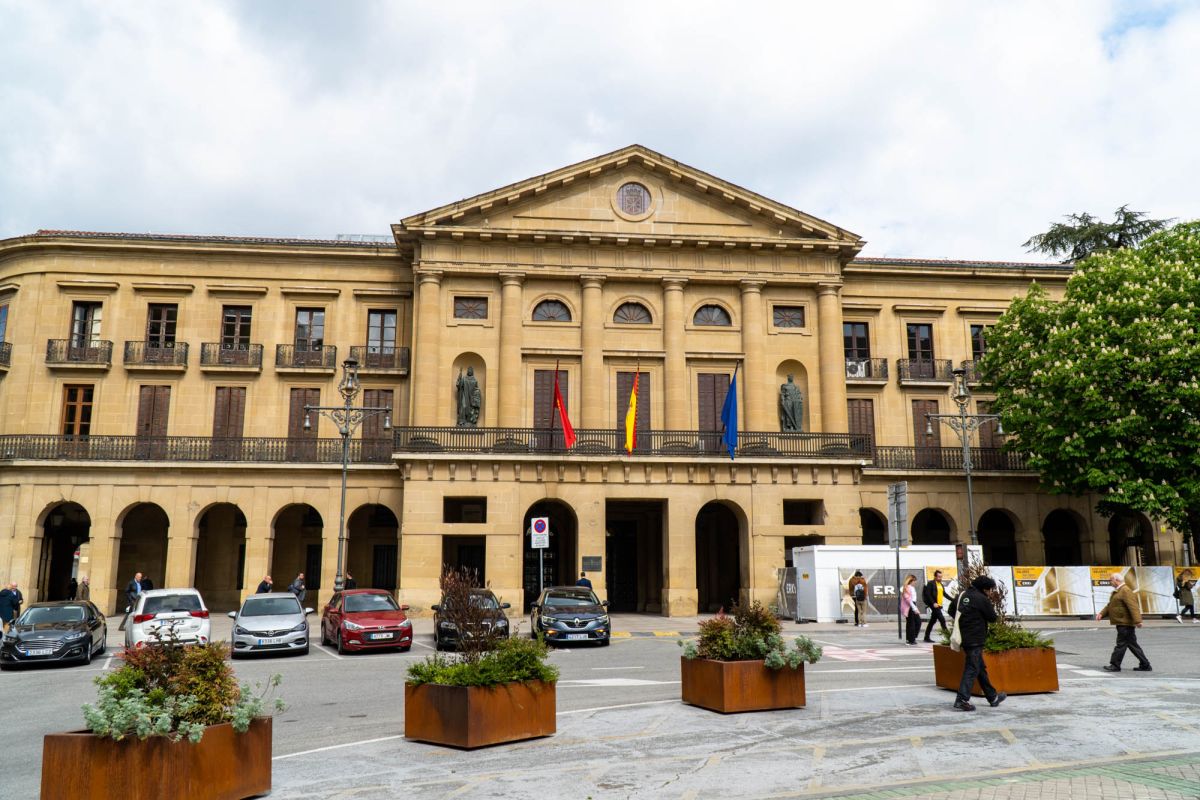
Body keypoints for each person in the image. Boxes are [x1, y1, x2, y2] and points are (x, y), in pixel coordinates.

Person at [954, 576, 1006, 711]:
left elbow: (951, 610)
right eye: (990, 590)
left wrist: (965, 620)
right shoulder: (981, 599)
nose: (990, 592)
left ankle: (992, 697)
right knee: (972, 667)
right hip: (976, 638)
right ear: (984, 589)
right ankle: (962, 699)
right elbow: (992, 618)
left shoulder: (962, 595)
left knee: (979, 667)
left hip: (964, 637)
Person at [1097, 571, 1151, 672]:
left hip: (1125, 623)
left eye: (1111, 580)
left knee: (1121, 644)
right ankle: (1145, 664)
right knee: (1132, 644)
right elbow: (1110, 605)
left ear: (1116, 580)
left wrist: (1138, 621)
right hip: (1122, 622)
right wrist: (1102, 613)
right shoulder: (1118, 591)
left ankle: (1115, 665)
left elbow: (1133, 606)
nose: (1110, 582)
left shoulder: (1125, 591)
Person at [922, 570, 950, 642]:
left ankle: (926, 637)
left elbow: (944, 594)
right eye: (939, 577)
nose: (940, 578)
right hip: (934, 605)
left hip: (939, 606)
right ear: (935, 576)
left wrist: (953, 599)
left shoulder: (940, 584)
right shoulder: (931, 583)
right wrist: (933, 603)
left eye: (941, 577)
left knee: (932, 621)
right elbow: (928, 594)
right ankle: (948, 637)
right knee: (942, 620)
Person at [900, 574, 921, 645]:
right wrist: (915, 608)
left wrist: (915, 607)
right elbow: (908, 600)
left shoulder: (911, 588)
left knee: (915, 622)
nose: (915, 582)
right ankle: (911, 640)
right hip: (909, 606)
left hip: (912, 605)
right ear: (911, 581)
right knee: (912, 623)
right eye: (914, 581)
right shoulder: (906, 588)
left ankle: (910, 638)